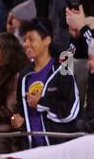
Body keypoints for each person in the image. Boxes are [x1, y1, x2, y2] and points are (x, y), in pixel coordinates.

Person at [10, 20, 80, 148]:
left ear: (47, 40)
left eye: (31, 39)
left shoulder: (63, 70)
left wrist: (42, 103)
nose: (26, 44)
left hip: (58, 148)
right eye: (25, 40)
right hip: (32, 149)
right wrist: (16, 119)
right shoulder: (24, 75)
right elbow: (21, 109)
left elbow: (72, 110)